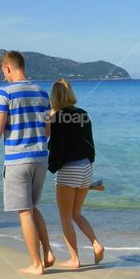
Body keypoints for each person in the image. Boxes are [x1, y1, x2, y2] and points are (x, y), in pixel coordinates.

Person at [0, 51, 55, 275]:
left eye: (4, 73)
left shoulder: (4, 93)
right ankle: (47, 252)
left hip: (18, 160)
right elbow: (48, 130)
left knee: (24, 211)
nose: (5, 77)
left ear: (8, 68)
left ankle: (36, 264)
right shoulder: (43, 93)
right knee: (32, 206)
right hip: (41, 158)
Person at [47, 79, 104, 267]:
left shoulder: (56, 118)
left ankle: (74, 259)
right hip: (86, 167)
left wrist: (51, 167)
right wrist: (90, 163)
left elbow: (57, 148)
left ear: (54, 97)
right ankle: (96, 244)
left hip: (69, 169)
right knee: (76, 213)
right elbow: (90, 142)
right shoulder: (83, 114)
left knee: (65, 217)